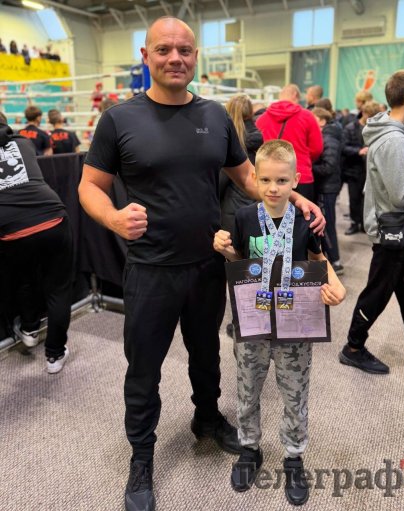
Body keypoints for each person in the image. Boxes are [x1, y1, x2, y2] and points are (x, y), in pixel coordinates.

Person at [77, 16, 325, 511]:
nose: (175, 58)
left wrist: (294, 199)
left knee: (207, 353)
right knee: (144, 368)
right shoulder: (119, 120)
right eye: (164, 49)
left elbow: (248, 178)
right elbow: (89, 186)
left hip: (210, 265)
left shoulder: (214, 115)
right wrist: (113, 218)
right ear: (146, 57)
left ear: (195, 57)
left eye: (185, 50)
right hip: (150, 269)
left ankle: (207, 418)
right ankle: (141, 457)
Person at [213, 139, 345, 506]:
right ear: (255, 178)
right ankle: (249, 448)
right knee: (247, 389)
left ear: (296, 180)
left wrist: (335, 285)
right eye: (266, 180)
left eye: (282, 180)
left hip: (293, 326)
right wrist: (226, 250)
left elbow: (318, 260)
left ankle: (293, 457)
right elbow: (241, 262)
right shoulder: (243, 217)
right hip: (253, 323)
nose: (273, 188)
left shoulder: (305, 220)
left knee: (295, 393)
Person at [339, 70, 404, 376]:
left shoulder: (395, 132)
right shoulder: (394, 139)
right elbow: (401, 195)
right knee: (377, 291)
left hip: (397, 227)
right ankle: (353, 348)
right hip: (391, 230)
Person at [0, 112, 73, 374]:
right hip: (51, 216)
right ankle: (54, 354)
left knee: (24, 279)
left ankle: (30, 329)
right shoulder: (23, 142)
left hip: (12, 228)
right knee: (58, 289)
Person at [220, 94, 264, 337]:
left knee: (236, 272)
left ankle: (240, 323)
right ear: (251, 113)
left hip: (232, 214)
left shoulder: (230, 143)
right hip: (257, 212)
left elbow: (220, 184)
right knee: (257, 268)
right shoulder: (260, 140)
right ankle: (259, 318)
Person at [256, 83, 323, 201]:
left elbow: (257, 147)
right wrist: (304, 159)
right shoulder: (307, 116)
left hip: (271, 178)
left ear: (281, 95)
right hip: (300, 176)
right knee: (303, 211)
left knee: (272, 212)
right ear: (295, 95)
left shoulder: (262, 119)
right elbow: (317, 148)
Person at [312, 107, 344, 275]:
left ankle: (335, 261)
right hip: (327, 186)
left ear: (322, 121)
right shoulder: (328, 136)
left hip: (327, 188)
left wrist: (309, 167)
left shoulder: (328, 138)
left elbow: (328, 166)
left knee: (327, 224)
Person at [341, 100, 381, 235]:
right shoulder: (350, 128)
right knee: (354, 198)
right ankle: (354, 223)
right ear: (363, 113)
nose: (371, 119)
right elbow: (343, 147)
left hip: (371, 171)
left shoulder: (377, 129)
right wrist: (359, 151)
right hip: (354, 169)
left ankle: (365, 224)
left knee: (368, 200)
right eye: (369, 115)